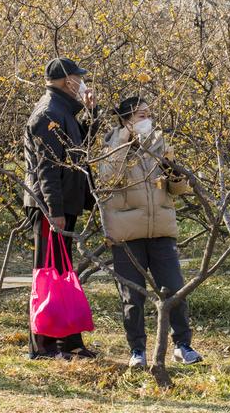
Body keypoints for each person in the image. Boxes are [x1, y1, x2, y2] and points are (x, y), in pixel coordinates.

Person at [99, 96, 202, 368]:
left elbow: (179, 190)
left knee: (174, 289)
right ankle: (137, 351)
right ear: (125, 119)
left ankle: (183, 345)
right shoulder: (111, 145)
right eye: (140, 115)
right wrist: (124, 140)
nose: (147, 119)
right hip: (126, 233)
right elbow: (108, 178)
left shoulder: (159, 144)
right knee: (133, 296)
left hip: (160, 229)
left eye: (148, 113)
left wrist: (177, 176)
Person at [24, 57, 99, 359]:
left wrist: (92, 113)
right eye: (78, 77)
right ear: (66, 80)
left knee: (62, 272)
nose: (82, 82)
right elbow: (46, 170)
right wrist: (53, 210)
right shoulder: (48, 114)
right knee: (48, 272)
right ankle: (42, 345)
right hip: (50, 207)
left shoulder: (63, 111)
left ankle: (69, 342)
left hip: (63, 203)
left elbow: (81, 149)